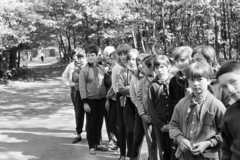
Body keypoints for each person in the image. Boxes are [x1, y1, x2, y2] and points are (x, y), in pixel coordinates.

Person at [169, 61, 226, 160]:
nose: (195, 83)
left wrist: (209, 143)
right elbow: (173, 125)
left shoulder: (216, 105)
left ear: (208, 80)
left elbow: (226, 132)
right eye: (191, 79)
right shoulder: (181, 104)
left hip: (208, 156)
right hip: (185, 156)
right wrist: (180, 139)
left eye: (200, 79)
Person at [79, 44, 107, 155]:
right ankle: (91, 146)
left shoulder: (101, 68)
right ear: (86, 56)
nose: (90, 57)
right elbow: (81, 87)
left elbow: (107, 82)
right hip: (90, 100)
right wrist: (85, 102)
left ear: (96, 56)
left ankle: (98, 143)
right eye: (88, 55)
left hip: (102, 99)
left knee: (99, 121)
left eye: (92, 55)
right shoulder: (84, 70)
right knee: (91, 123)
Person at [147, 55, 173, 160]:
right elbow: (151, 107)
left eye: (162, 67)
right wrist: (160, 124)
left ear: (169, 67)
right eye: (157, 68)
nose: (160, 70)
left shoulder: (174, 82)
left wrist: (174, 123)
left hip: (174, 124)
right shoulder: (152, 86)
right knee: (163, 151)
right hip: (160, 124)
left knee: (175, 151)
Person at [61, 49, 87, 144]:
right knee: (78, 112)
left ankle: (90, 131)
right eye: (76, 56)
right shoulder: (71, 66)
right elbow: (64, 77)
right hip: (76, 91)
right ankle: (78, 133)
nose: (77, 58)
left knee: (89, 112)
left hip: (88, 92)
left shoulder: (88, 65)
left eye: (80, 56)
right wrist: (69, 83)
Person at [118, 48, 139, 160]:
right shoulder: (122, 71)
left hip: (139, 103)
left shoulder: (141, 71)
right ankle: (131, 154)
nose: (131, 62)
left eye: (134, 59)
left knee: (139, 132)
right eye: (129, 59)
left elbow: (143, 88)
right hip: (128, 103)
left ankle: (136, 154)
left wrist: (130, 88)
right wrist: (133, 88)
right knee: (130, 130)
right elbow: (120, 88)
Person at [216, 61, 240, 160]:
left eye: (233, 81)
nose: (230, 89)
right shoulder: (229, 113)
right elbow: (226, 148)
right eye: (224, 86)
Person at [112, 43, 132, 160]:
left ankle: (131, 152)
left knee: (131, 128)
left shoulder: (134, 66)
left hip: (132, 100)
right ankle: (122, 153)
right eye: (121, 54)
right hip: (121, 99)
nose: (123, 56)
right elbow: (115, 86)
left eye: (125, 53)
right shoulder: (116, 68)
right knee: (122, 126)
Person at [137, 55, 157, 160]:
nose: (141, 68)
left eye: (144, 66)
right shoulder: (142, 81)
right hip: (147, 117)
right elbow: (138, 99)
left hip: (159, 118)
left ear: (151, 67)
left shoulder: (161, 80)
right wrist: (142, 114)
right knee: (151, 143)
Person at [129, 53, 149, 160]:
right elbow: (133, 96)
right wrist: (140, 108)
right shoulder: (135, 78)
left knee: (153, 140)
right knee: (137, 138)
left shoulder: (153, 77)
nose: (140, 66)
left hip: (153, 112)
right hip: (139, 112)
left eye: (142, 63)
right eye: (138, 63)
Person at [105, 50, 119, 151]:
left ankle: (122, 145)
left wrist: (108, 96)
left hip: (117, 100)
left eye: (112, 58)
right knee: (112, 125)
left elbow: (115, 86)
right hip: (112, 100)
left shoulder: (117, 69)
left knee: (115, 125)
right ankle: (119, 143)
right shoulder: (111, 68)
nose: (110, 60)